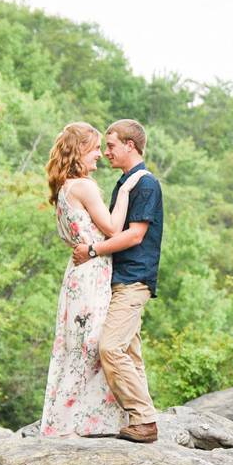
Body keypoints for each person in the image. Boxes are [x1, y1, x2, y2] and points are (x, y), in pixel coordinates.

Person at [40, 122, 147, 437]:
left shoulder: (64, 188)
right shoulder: (84, 186)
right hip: (92, 272)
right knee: (92, 345)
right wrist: (127, 189)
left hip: (78, 273)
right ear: (80, 151)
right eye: (95, 148)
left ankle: (72, 416)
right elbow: (114, 229)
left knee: (75, 346)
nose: (100, 155)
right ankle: (88, 420)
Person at [72, 119, 162, 443]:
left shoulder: (146, 185)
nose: (106, 152)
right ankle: (138, 419)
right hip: (117, 279)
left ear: (130, 146)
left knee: (110, 348)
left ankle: (145, 420)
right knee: (131, 354)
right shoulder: (124, 183)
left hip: (134, 279)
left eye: (111, 146)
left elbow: (135, 235)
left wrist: (92, 250)